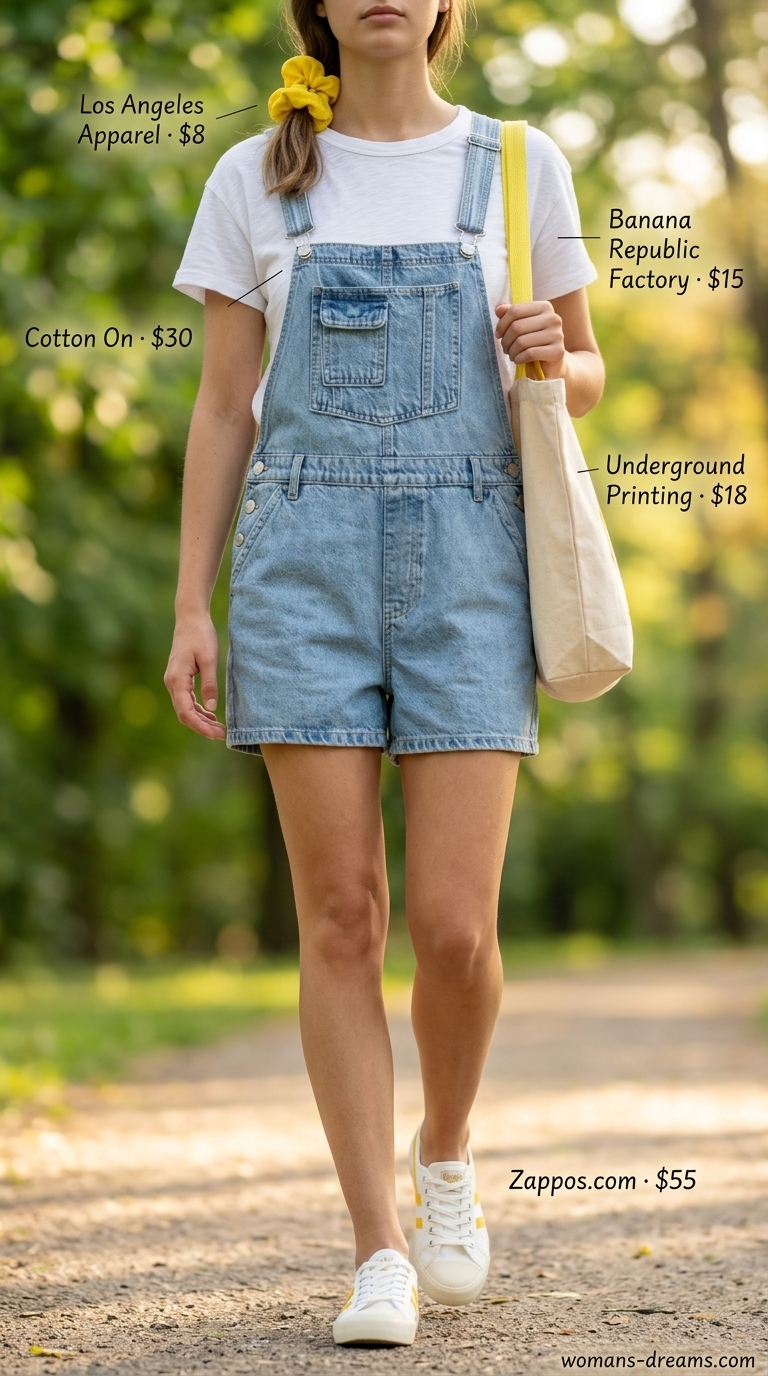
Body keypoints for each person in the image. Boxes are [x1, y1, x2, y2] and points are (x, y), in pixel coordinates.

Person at [165, 0, 603, 1348]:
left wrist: (558, 359)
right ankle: (377, 1251)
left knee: (454, 931)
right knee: (341, 918)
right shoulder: (255, 174)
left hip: (471, 558)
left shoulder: (521, 163)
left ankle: (449, 1151)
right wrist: (195, 597)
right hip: (302, 568)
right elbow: (225, 404)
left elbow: (585, 370)